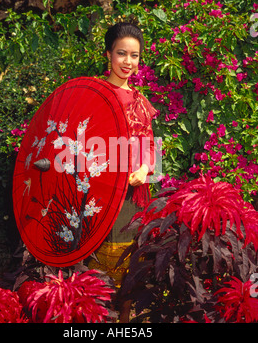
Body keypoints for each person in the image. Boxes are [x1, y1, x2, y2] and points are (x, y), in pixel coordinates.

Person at [88, 22, 157, 322]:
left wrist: (144, 168)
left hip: (133, 198)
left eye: (135, 55)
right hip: (100, 196)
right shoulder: (93, 95)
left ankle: (126, 324)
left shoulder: (141, 103)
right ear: (108, 55)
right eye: (121, 53)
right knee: (98, 273)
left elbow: (150, 147)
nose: (128, 62)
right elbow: (80, 145)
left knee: (131, 268)